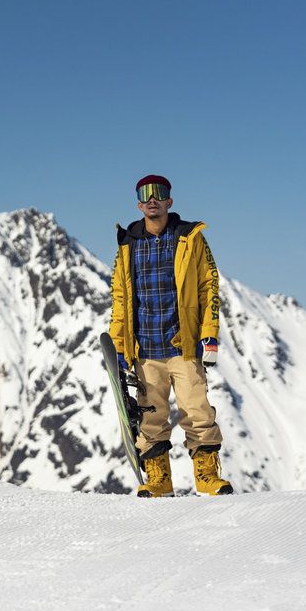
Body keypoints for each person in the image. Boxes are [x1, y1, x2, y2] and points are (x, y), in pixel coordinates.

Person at [109, 174, 233, 497]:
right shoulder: (128, 245)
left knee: (198, 411)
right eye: (145, 194)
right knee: (151, 416)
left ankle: (206, 475)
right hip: (146, 348)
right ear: (138, 204)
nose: (152, 199)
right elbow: (120, 298)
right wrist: (120, 344)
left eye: (159, 193)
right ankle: (158, 478)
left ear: (169, 201)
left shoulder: (189, 238)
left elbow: (209, 285)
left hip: (184, 345)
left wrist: (210, 333)